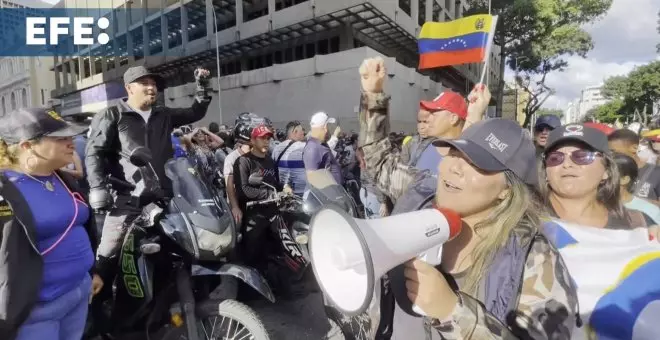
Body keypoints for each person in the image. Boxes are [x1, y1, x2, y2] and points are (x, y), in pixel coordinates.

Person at [352, 57, 577, 339]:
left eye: (477, 163)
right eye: (455, 152)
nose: (454, 167)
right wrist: (373, 95)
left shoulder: (535, 258)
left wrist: (453, 312)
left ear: (507, 189)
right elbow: (379, 161)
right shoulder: (424, 190)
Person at [85, 65, 211, 280]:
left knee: (183, 248)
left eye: (154, 85)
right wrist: (97, 187)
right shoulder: (112, 114)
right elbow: (94, 152)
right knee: (108, 253)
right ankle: (100, 301)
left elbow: (194, 112)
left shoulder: (164, 114)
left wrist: (202, 86)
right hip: (128, 198)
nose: (152, 88)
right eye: (145, 83)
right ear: (129, 88)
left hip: (165, 196)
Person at [0, 107, 103, 340]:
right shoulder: (6, 189)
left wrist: (91, 272)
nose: (72, 142)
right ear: (27, 145)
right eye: (61, 138)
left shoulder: (61, 177)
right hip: (35, 311)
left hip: (77, 294)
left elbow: (80, 227)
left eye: (70, 137)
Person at [539, 124, 646, 229]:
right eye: (555, 158)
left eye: (582, 156)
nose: (567, 164)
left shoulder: (634, 224)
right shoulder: (526, 218)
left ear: (606, 170)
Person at [233, 124, 286, 267]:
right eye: (262, 138)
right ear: (253, 140)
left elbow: (274, 183)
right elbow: (243, 190)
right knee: (253, 257)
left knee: (277, 252)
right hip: (254, 217)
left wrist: (285, 188)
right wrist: (269, 194)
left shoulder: (270, 160)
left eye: (268, 138)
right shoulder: (244, 161)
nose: (266, 141)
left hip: (273, 214)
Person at [608, 129, 660, 202]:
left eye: (614, 151)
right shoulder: (609, 172)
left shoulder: (656, 173)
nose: (611, 155)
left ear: (634, 148)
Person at [613, 152, 660, 225]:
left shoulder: (650, 211)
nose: (602, 178)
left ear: (625, 179)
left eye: (608, 174)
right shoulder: (594, 205)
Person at [303, 112, 342, 185]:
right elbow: (312, 180)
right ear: (325, 128)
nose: (330, 129)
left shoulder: (320, 144)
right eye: (329, 126)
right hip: (328, 194)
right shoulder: (312, 148)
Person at [272, 120, 307, 196]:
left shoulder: (276, 148)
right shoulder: (303, 146)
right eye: (301, 131)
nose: (303, 133)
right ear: (295, 132)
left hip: (284, 194)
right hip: (302, 194)